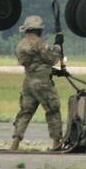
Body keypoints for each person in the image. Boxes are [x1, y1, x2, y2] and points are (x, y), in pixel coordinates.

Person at [8, 14, 65, 151]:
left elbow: (34, 64)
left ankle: (14, 144)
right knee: (53, 110)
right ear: (39, 30)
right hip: (42, 83)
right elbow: (51, 59)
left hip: (28, 82)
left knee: (25, 112)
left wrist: (54, 71)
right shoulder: (40, 43)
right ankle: (56, 144)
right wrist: (57, 46)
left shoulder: (20, 45)